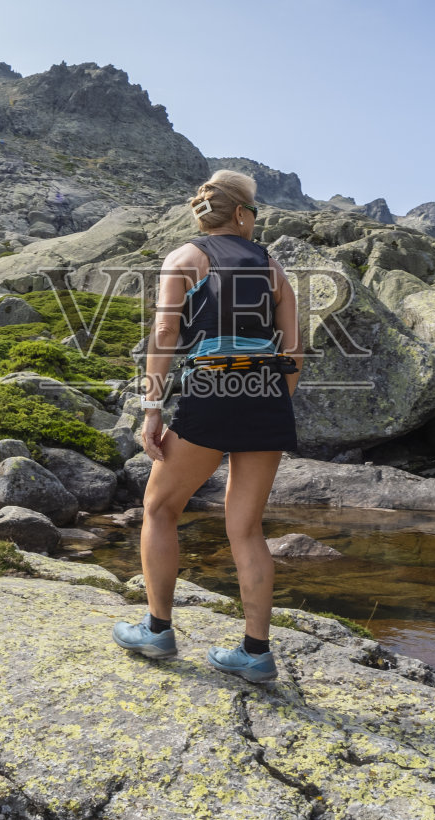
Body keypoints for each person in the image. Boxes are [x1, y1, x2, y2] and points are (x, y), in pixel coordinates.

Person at [111, 169, 302, 683]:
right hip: (265, 394)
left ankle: (157, 630)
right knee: (245, 528)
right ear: (242, 214)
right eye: (256, 213)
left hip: (212, 390)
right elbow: (294, 354)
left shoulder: (185, 259)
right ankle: (257, 653)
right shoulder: (275, 269)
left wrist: (152, 409)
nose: (257, 222)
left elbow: (164, 334)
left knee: (159, 506)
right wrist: (266, 400)